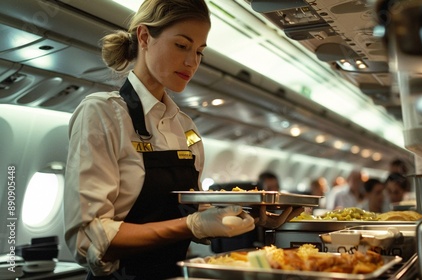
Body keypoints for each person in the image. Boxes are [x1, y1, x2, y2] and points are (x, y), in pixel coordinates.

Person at [63, 1, 301, 279]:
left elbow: (197, 212)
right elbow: (91, 240)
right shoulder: (102, 114)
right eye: (181, 46)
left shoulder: (185, 128)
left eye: (199, 52)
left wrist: (250, 217)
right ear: (144, 37)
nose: (192, 62)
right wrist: (192, 225)